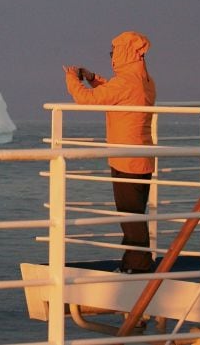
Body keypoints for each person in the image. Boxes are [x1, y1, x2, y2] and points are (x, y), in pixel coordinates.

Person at [63, 31, 157, 273]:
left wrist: (72, 79)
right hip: (142, 158)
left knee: (130, 217)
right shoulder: (143, 81)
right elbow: (114, 95)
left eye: (114, 52)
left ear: (124, 53)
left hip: (126, 159)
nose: (111, 56)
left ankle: (140, 267)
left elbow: (87, 100)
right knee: (134, 214)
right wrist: (94, 78)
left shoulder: (126, 82)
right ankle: (132, 263)